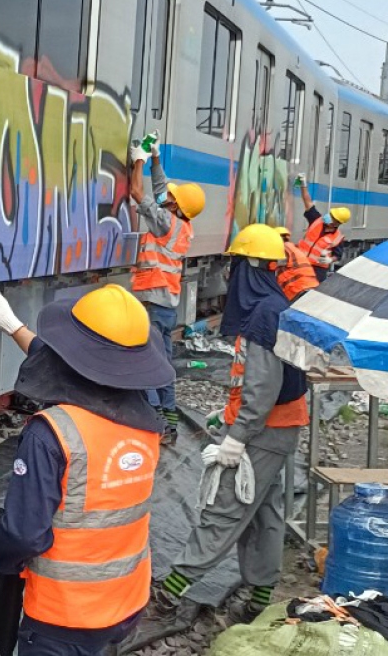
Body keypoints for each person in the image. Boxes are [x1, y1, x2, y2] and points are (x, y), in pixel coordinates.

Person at [0, 279, 173, 656]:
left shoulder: (53, 435)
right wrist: (13, 325)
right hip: (123, 602)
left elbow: (25, 537)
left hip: (63, 618)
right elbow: (84, 372)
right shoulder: (145, 419)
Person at [150, 224, 308, 628]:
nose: (229, 274)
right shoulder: (275, 306)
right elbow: (257, 383)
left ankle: (171, 590)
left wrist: (236, 438)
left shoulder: (264, 316)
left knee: (226, 508)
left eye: (235, 265)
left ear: (251, 266)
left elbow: (262, 388)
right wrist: (229, 414)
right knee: (263, 513)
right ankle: (259, 596)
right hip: (277, 427)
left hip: (264, 432)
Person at [128, 136, 205, 446]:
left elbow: (138, 192)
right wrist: (157, 159)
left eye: (172, 198)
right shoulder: (181, 225)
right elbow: (162, 193)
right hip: (166, 306)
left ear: (176, 206)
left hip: (152, 303)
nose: (167, 197)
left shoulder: (164, 222)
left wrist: (138, 160)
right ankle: (169, 425)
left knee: (146, 366)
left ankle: (154, 422)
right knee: (163, 367)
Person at [294, 174, 348, 281]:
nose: (328, 217)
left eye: (332, 217)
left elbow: (338, 255)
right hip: (301, 263)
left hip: (318, 270)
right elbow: (308, 202)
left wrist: (330, 260)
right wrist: (303, 185)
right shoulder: (316, 220)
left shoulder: (338, 238)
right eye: (330, 214)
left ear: (337, 223)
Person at [273, 226, 319, 301]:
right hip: (310, 286)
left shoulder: (283, 249)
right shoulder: (292, 248)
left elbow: (271, 265)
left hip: (299, 288)